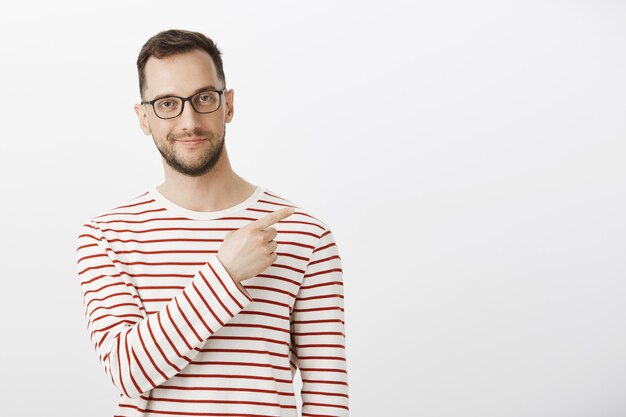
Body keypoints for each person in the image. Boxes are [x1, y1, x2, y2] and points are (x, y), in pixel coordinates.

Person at [75, 29, 349, 417]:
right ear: (143, 117)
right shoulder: (107, 236)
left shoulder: (305, 235)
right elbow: (128, 371)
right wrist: (225, 273)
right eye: (167, 103)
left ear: (228, 105)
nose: (189, 121)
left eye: (204, 98)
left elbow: (328, 401)